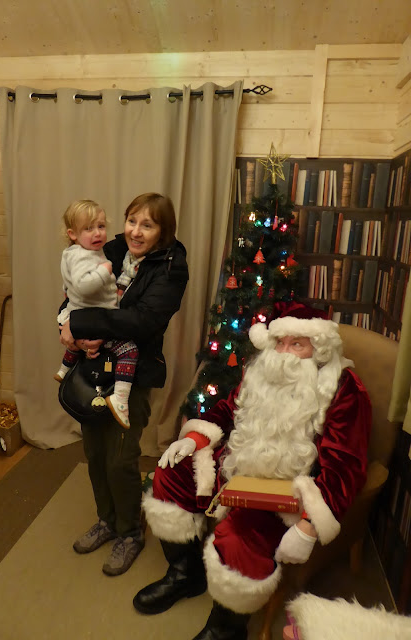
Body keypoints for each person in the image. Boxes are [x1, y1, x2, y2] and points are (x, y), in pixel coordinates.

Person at [133, 301, 371, 640]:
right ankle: (185, 573)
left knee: (241, 537)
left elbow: (346, 466)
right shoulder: (261, 372)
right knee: (170, 475)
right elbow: (228, 408)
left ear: (318, 348)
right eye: (279, 342)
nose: (284, 353)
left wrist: (309, 525)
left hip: (287, 489)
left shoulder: (344, 389)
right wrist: (195, 438)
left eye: (297, 344)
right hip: (237, 465)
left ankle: (227, 627)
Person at [59, 192, 189, 576]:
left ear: (163, 231)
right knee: (95, 453)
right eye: (132, 221)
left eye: (147, 225)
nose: (135, 231)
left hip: (133, 373)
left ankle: (130, 533)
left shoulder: (172, 267)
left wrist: (81, 324)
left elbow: (143, 321)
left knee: (119, 459)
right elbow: (76, 291)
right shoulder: (112, 247)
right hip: (93, 369)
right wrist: (67, 325)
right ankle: (107, 520)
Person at [56, 199, 140, 428]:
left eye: (101, 226)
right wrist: (105, 271)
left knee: (82, 344)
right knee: (129, 350)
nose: (97, 233)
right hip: (94, 318)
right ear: (73, 234)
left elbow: (68, 285)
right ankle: (120, 398)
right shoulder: (86, 256)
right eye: (88, 228)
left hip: (83, 315)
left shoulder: (72, 253)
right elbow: (83, 286)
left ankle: (64, 369)